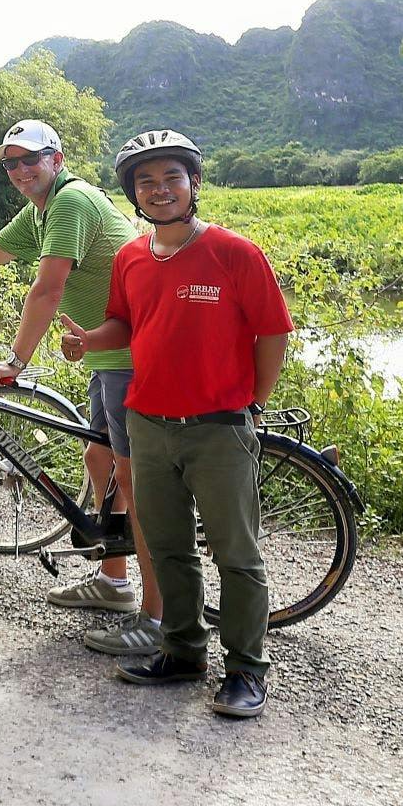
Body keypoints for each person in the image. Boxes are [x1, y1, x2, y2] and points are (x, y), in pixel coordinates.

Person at [58, 130, 292, 721]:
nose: (158, 190)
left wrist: (251, 402)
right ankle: (183, 651)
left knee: (237, 554)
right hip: (148, 423)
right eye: (145, 181)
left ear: (193, 185)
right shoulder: (132, 257)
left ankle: (244, 671)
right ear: (132, 193)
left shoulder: (234, 253)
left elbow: (273, 333)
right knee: (167, 547)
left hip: (218, 428)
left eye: (170, 178)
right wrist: (89, 340)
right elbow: (124, 324)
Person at [0, 119, 157, 654]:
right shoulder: (42, 210)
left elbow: (48, 288)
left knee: (137, 485)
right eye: (11, 163)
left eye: (29, 160)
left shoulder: (72, 202)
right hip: (108, 353)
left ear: (56, 159)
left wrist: (16, 360)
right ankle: (114, 583)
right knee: (100, 460)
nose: (19, 171)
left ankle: (159, 617)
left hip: (138, 356)